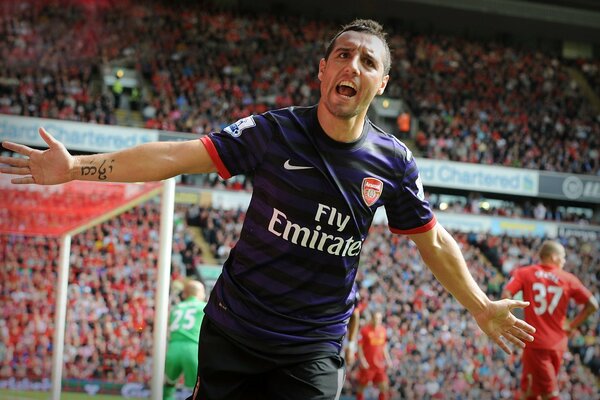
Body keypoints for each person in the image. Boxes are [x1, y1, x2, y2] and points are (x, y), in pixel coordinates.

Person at [0, 19, 536, 400]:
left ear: (382, 84)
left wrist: (479, 304)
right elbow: (174, 155)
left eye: (368, 61)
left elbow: (433, 239)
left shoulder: (392, 162)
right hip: (235, 330)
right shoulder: (272, 131)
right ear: (323, 69)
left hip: (312, 347)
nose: (353, 65)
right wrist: (78, 168)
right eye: (343, 55)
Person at [502, 240, 598, 400]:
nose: (564, 261)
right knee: (531, 391)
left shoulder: (524, 273)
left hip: (536, 342)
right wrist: (572, 326)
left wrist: (511, 320)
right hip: (558, 343)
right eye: (563, 257)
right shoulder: (568, 278)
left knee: (547, 394)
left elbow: (506, 294)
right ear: (554, 257)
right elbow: (592, 305)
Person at [164, 280, 207, 400]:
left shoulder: (176, 307)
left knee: (168, 386)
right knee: (199, 390)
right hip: (192, 348)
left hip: (173, 348)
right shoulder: (203, 307)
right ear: (199, 293)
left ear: (185, 294)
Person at [356, 311, 392, 400]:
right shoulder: (364, 330)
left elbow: (384, 347)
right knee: (362, 387)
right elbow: (359, 347)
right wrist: (363, 361)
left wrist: (388, 359)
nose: (378, 320)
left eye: (379, 319)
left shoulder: (383, 330)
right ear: (372, 319)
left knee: (384, 386)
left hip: (379, 364)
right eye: (376, 318)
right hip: (368, 364)